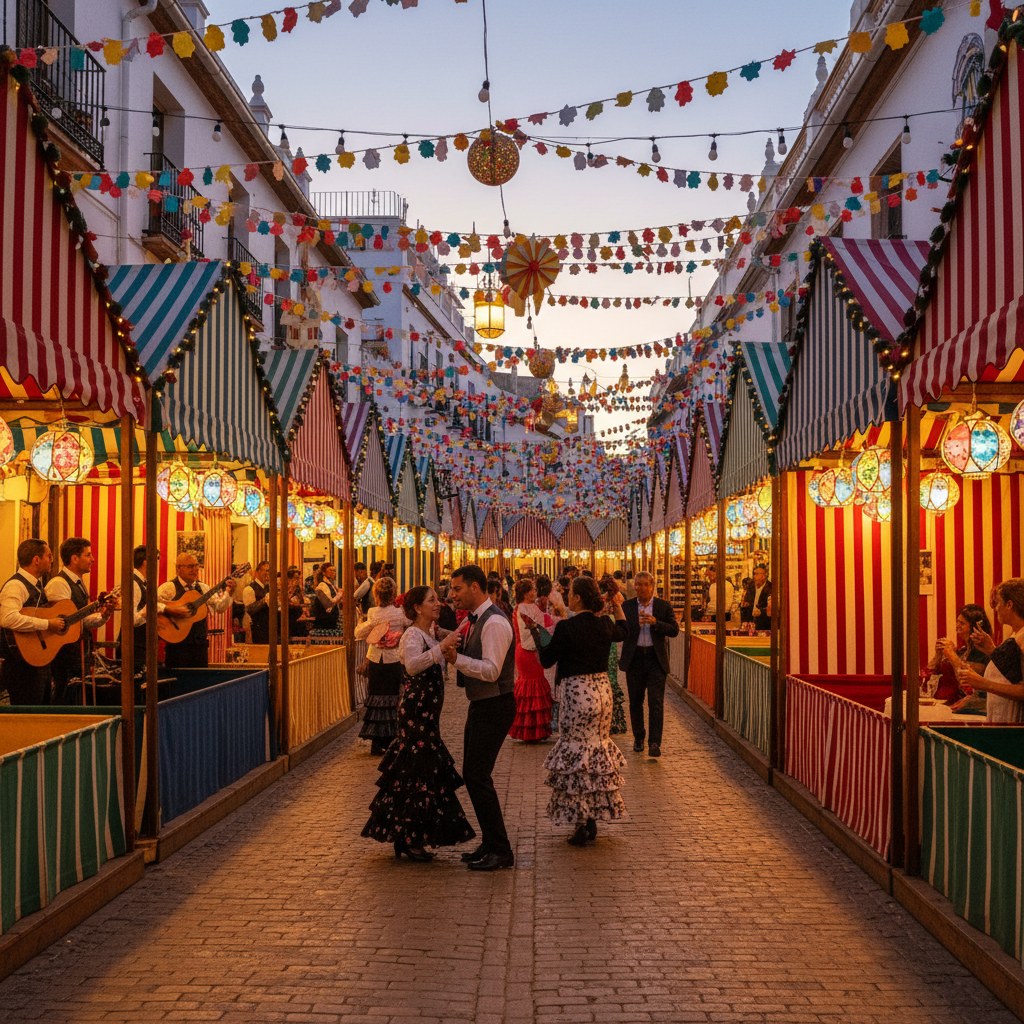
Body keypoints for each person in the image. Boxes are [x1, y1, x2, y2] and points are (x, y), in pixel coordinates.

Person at [361, 585, 474, 861]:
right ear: (417, 609)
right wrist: (441, 649)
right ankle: (409, 837)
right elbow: (412, 665)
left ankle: (410, 836)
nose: (437, 604)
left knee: (421, 771)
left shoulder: (429, 632)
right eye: (431, 600)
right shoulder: (412, 635)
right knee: (416, 770)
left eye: (437, 599)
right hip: (416, 715)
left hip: (427, 716)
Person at [534, 575, 628, 845]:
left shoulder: (567, 628)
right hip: (602, 691)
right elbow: (624, 630)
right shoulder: (603, 624)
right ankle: (594, 815)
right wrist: (616, 602)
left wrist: (539, 634)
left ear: (576, 597)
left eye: (571, 593)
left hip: (577, 692)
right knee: (597, 750)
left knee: (577, 753)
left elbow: (547, 658)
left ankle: (581, 821)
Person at [443, 564, 517, 871]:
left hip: (495, 704)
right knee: (472, 774)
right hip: (481, 703)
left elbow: (491, 670)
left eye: (457, 589)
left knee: (477, 775)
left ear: (476, 587)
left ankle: (501, 849)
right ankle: (490, 842)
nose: (453, 595)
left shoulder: (495, 623)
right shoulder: (475, 620)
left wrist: (456, 660)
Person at [45, 537, 117, 702]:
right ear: (74, 558)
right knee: (64, 699)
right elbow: (63, 623)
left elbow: (81, 621)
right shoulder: (59, 584)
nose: (93, 559)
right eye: (88, 555)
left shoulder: (78, 583)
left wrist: (103, 615)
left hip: (80, 655)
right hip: (65, 657)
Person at [619, 571, 680, 757]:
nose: (642, 588)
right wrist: (633, 626)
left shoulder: (662, 606)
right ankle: (639, 737)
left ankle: (654, 742)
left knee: (656, 702)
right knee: (636, 701)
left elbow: (674, 630)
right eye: (639, 584)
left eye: (646, 584)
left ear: (652, 586)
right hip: (635, 658)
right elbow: (621, 631)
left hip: (655, 659)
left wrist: (656, 623)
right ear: (634, 587)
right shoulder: (627, 606)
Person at [0, 539, 62, 705]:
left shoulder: (37, 585)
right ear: (36, 560)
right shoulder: (16, 585)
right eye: (48, 556)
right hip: (21, 666)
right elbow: (8, 618)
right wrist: (48, 624)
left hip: (38, 660)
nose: (52, 560)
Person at [956, 579, 1024, 724]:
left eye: (998, 602)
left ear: (1010, 604)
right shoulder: (1015, 635)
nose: (996, 608)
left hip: (1013, 727)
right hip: (1001, 720)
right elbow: (1012, 673)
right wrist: (991, 650)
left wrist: (983, 683)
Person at [354, 576, 407, 755]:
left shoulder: (373, 612)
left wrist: (361, 623)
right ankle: (392, 738)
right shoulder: (401, 613)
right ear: (394, 593)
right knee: (394, 699)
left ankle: (377, 741)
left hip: (376, 660)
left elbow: (359, 632)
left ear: (376, 594)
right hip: (394, 660)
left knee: (376, 699)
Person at [157, 553, 236, 670]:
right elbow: (154, 605)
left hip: (199, 646)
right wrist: (173, 610)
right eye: (190, 566)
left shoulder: (203, 588)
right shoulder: (168, 588)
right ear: (178, 569)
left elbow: (219, 607)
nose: (194, 570)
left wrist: (229, 592)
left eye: (196, 566)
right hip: (177, 646)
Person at [509, 579, 554, 743]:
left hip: (527, 650)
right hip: (528, 651)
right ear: (526, 592)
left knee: (532, 685)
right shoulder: (524, 608)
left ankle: (535, 729)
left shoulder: (526, 607)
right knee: (531, 687)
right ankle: (531, 730)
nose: (535, 592)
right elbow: (541, 625)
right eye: (533, 590)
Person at [125, 544, 177, 678]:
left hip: (142, 646)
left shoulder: (143, 583)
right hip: (134, 648)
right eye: (157, 559)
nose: (158, 564)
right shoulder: (134, 584)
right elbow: (131, 620)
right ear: (146, 562)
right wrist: (148, 611)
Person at [927, 603, 992, 703]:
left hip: (968, 706)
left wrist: (951, 654)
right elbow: (928, 676)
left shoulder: (982, 653)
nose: (957, 626)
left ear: (974, 627)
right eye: (957, 622)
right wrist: (938, 655)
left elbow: (967, 686)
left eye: (962, 623)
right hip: (946, 702)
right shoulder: (962, 650)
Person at [599, 578, 628, 735]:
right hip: (612, 641)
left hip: (604, 641)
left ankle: (605, 717)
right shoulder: (619, 599)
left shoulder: (602, 601)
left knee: (606, 676)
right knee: (612, 678)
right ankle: (613, 719)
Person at [242, 561, 273, 644]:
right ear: (257, 572)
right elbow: (250, 610)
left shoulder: (269, 588)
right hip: (256, 629)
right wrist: (264, 600)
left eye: (270, 571)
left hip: (269, 628)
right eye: (266, 570)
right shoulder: (249, 589)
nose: (268, 573)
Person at [312, 563, 343, 633]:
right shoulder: (322, 585)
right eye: (330, 570)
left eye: (334, 571)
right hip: (324, 622)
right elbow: (328, 604)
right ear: (324, 572)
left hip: (331, 621)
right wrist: (340, 594)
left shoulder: (331, 585)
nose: (333, 573)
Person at [740, 565, 772, 631]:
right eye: (754, 574)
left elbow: (771, 607)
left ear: (764, 576)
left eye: (757, 574)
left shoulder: (770, 588)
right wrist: (745, 604)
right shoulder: (751, 586)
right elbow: (746, 601)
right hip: (750, 622)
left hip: (765, 624)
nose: (754, 576)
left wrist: (761, 611)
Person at [286, 567, 309, 640]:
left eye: (299, 578)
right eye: (296, 578)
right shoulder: (284, 588)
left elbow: (301, 602)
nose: (298, 580)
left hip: (299, 618)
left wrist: (304, 609)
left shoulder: (298, 589)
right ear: (289, 579)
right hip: (290, 619)